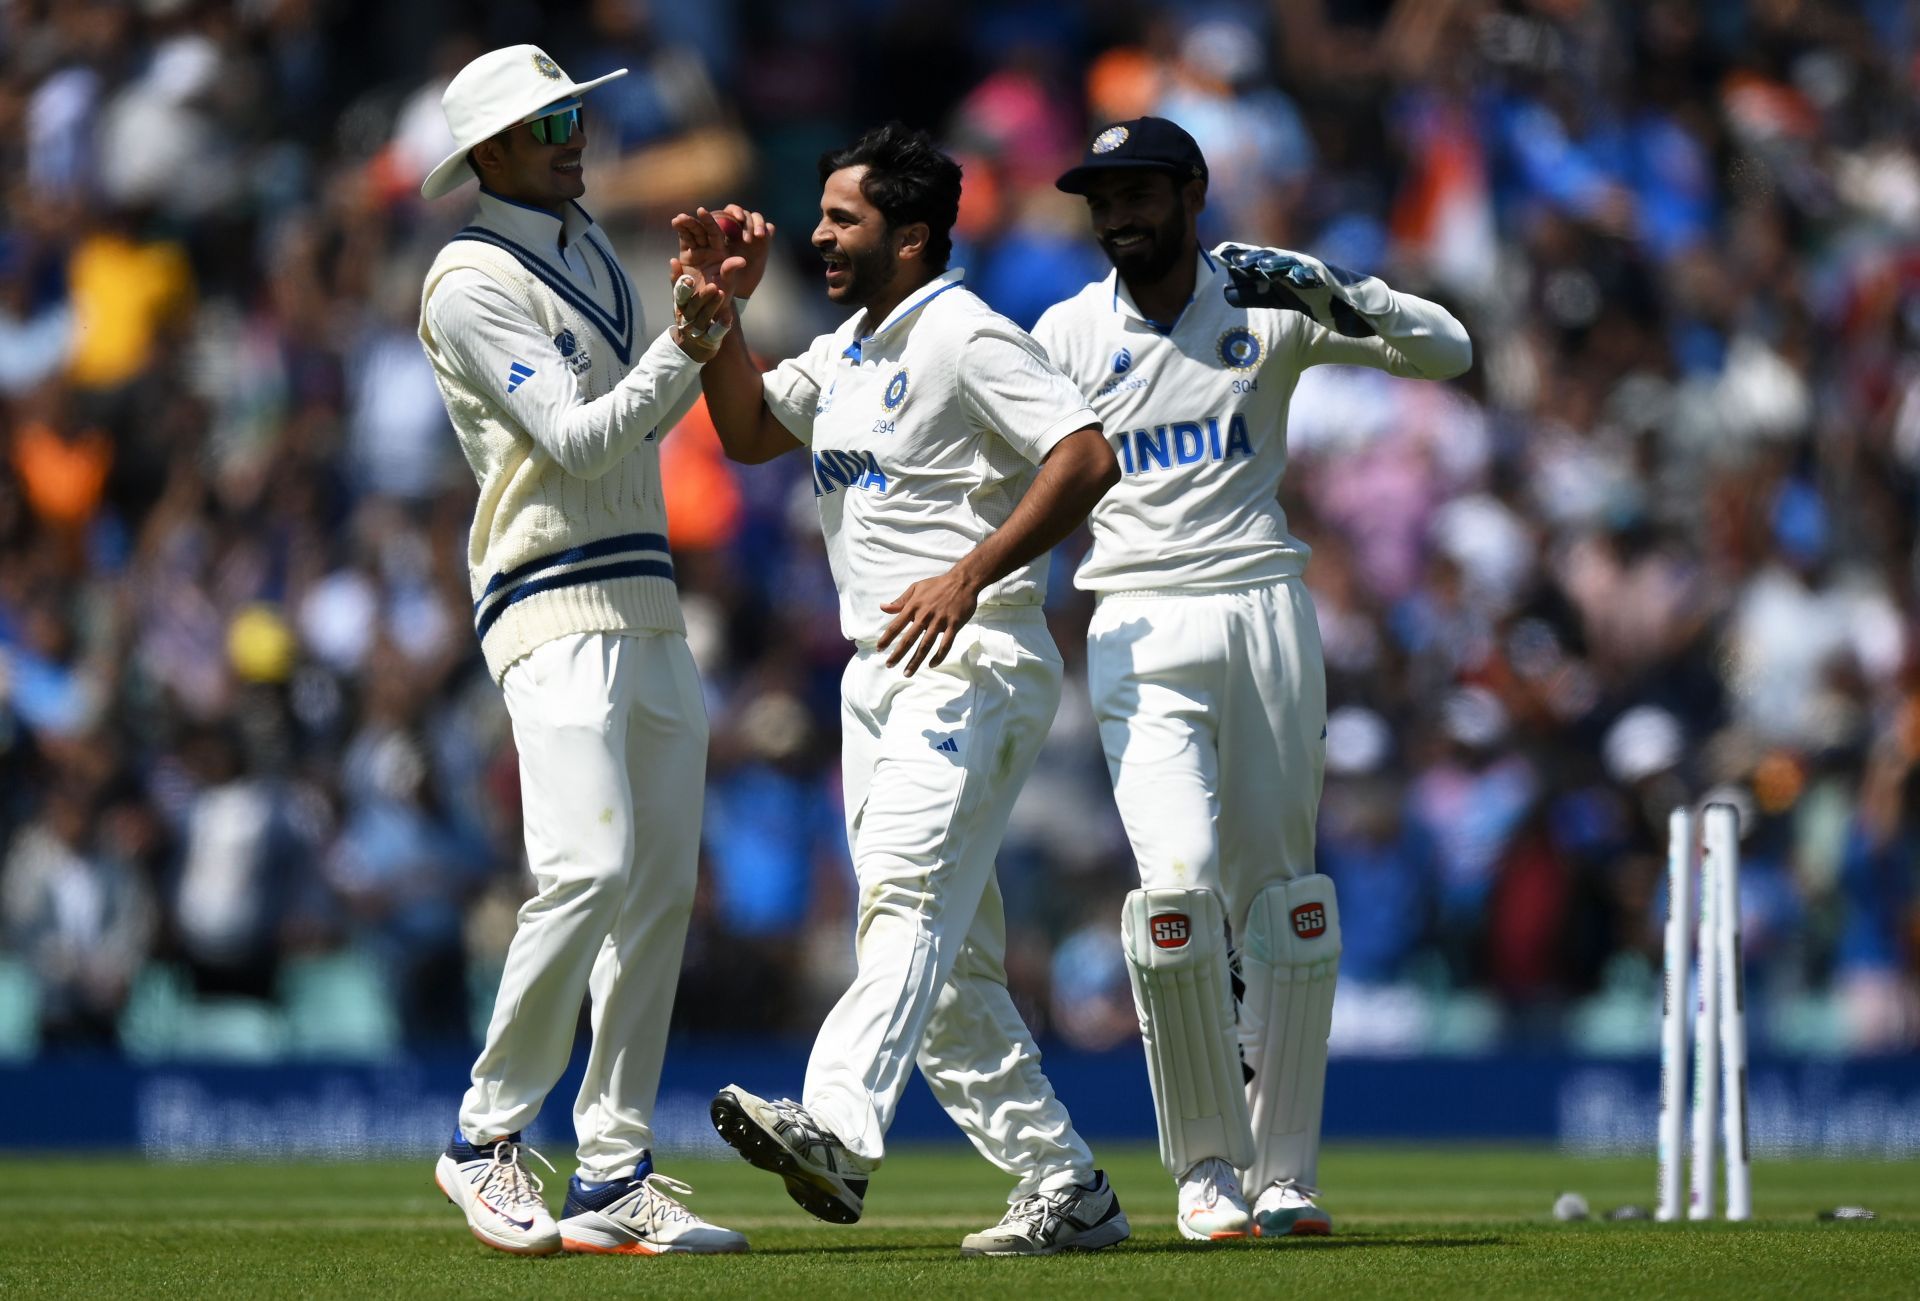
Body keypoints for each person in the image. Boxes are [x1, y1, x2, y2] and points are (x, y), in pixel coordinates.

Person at [677, 123, 1129, 1258]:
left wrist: (972, 572)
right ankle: (1066, 1185)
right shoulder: (847, 350)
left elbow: (1083, 453)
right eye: (823, 216)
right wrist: (715, 317)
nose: (820, 234)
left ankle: (835, 1124)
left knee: (904, 911)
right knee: (948, 967)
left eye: (844, 219)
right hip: (878, 675)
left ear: (914, 236)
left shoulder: (967, 334)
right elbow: (743, 432)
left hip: (970, 657)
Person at [1031, 117, 1472, 1241]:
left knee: (1286, 902)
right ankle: (1207, 1171)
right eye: (1101, 198)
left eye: (1138, 193)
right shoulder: (1067, 331)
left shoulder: (1270, 301)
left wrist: (1337, 295)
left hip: (1267, 607)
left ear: (1193, 194)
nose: (1117, 215)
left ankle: (1287, 1174)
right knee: (1175, 894)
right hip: (1134, 617)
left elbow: (1449, 351)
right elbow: (1013, 476)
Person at [414, 43, 751, 1258]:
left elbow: (639, 426)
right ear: (489, 153)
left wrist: (697, 325)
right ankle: (485, 1137)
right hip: (548, 600)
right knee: (590, 866)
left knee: (657, 890)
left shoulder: (592, 246)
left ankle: (613, 1169)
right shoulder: (466, 275)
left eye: (570, 111)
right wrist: (693, 336)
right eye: (545, 119)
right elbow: (577, 440)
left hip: (646, 595)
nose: (571, 131)